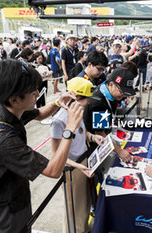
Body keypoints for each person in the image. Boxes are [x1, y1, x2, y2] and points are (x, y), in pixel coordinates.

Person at [0, 59, 84, 233]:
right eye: (32, 91)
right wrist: (70, 129)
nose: (37, 93)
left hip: (17, 192)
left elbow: (39, 114)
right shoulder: (1, 139)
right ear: (14, 99)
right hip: (8, 206)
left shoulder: (4, 107)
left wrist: (58, 103)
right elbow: (53, 171)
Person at [51, 77, 104, 233]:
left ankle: (83, 229)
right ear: (74, 97)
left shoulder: (76, 112)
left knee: (85, 203)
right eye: (85, 99)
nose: (87, 103)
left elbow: (83, 132)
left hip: (83, 162)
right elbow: (56, 155)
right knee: (74, 208)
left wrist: (93, 137)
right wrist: (76, 166)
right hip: (71, 168)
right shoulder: (59, 120)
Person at [83, 67, 136, 162]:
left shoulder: (110, 91)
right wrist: (119, 151)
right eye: (122, 92)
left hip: (107, 130)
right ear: (111, 84)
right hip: (95, 141)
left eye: (126, 94)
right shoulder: (98, 102)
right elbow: (100, 133)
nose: (123, 96)